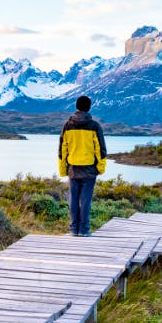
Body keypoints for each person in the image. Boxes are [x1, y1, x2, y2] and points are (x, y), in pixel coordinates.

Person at [58, 95, 107, 236]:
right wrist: (100, 168)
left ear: (77, 107)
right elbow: (100, 149)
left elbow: (62, 150)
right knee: (86, 200)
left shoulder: (67, 125)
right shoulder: (94, 126)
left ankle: (74, 229)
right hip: (89, 169)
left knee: (73, 199)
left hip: (73, 168)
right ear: (89, 107)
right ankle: (84, 230)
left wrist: (63, 169)